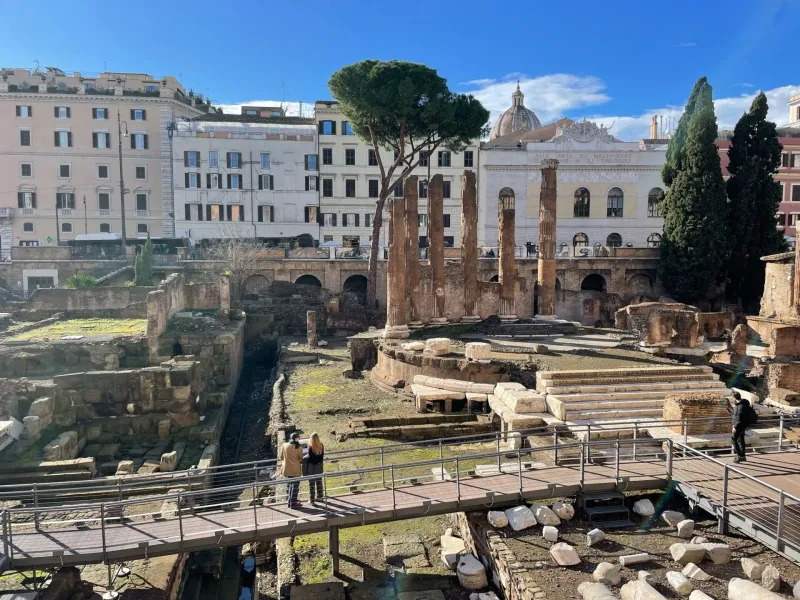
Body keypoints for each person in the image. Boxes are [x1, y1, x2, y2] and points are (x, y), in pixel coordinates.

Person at [279, 432, 304, 507]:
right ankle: (293, 502)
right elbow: (300, 459)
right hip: (295, 469)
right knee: (295, 486)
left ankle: (290, 501)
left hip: (286, 469)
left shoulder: (284, 445)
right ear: (296, 438)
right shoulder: (298, 447)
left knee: (290, 485)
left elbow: (281, 457)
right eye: (298, 438)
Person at [731, 392, 754, 463]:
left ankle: (739, 456)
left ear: (734, 398)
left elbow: (739, 418)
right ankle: (743, 456)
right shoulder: (744, 404)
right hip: (743, 425)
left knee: (733, 439)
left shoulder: (740, 406)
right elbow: (737, 415)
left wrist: (735, 427)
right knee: (740, 439)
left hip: (739, 425)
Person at [304, 433, 325, 504]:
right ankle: (320, 497)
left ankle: (312, 500)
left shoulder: (310, 447)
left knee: (311, 484)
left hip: (312, 467)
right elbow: (322, 457)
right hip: (319, 466)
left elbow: (310, 458)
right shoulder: (321, 445)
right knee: (319, 482)